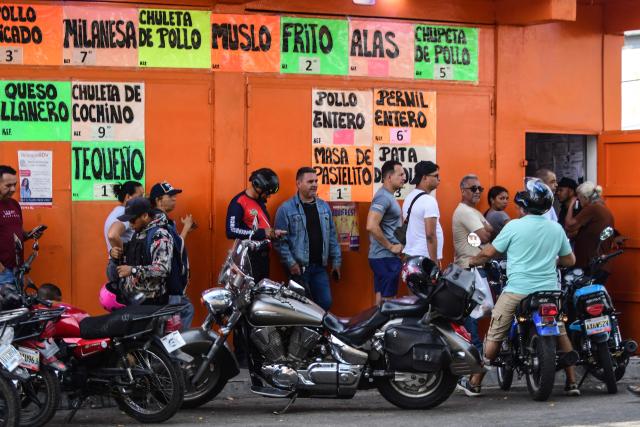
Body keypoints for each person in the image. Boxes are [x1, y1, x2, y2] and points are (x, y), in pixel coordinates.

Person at [457, 178, 580, 397]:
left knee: (495, 333)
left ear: (525, 206)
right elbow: (570, 260)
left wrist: (472, 261)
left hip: (517, 290)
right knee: (559, 329)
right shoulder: (556, 228)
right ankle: (572, 382)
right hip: (549, 291)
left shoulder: (514, 226)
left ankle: (475, 382)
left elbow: (488, 253)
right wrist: (550, 260)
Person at [274, 167, 341, 310]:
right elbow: (280, 242)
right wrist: (291, 264)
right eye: (310, 181)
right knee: (300, 309)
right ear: (298, 183)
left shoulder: (324, 207)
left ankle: (319, 333)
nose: (315, 184)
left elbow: (332, 237)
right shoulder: (286, 209)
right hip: (298, 270)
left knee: (325, 303)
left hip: (319, 268)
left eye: (316, 181)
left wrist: (336, 262)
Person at [452, 174, 494, 353]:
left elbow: (490, 230)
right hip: (470, 268)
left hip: (476, 267)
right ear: (462, 191)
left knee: (478, 310)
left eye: (480, 189)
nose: (478, 192)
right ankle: (474, 350)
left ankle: (474, 349)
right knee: (473, 313)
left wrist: (482, 232)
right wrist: (481, 233)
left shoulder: (473, 211)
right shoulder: (465, 212)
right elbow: (486, 235)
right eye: (473, 188)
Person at [149, 181, 195, 329]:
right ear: (158, 200)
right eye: (170, 196)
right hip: (169, 284)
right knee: (171, 324)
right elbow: (174, 249)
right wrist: (186, 228)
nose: (174, 199)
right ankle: (172, 350)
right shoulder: (160, 221)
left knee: (186, 310)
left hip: (171, 284)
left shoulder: (165, 221)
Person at [109, 198, 173, 304]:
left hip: (151, 301)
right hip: (135, 298)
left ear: (145, 216)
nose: (130, 225)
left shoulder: (160, 235)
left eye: (132, 220)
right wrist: (115, 253)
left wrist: (133, 270)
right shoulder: (139, 232)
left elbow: (163, 268)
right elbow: (136, 254)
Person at [226, 168, 284, 283]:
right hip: (249, 259)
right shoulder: (238, 202)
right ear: (258, 187)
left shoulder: (259, 201)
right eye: (267, 193)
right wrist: (263, 233)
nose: (269, 197)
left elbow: (260, 225)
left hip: (263, 258)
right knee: (251, 298)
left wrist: (273, 233)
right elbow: (231, 230)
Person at [366, 160, 406, 305]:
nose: (404, 178)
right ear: (389, 177)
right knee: (388, 303)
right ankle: (383, 328)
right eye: (400, 174)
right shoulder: (383, 197)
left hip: (384, 258)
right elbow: (371, 225)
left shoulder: (387, 196)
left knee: (381, 301)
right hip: (385, 257)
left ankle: (377, 328)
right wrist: (391, 246)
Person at [0, 165, 43, 286]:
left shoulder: (14, 204)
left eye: (15, 184)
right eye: (8, 186)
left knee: (18, 305)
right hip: (2, 272)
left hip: (18, 269)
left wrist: (29, 234)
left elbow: (16, 233)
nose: (13, 189)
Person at [564, 182, 614, 283]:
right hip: (600, 263)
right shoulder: (603, 208)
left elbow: (569, 226)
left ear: (585, 198)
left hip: (590, 265)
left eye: (579, 199)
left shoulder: (592, 208)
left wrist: (571, 205)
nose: (579, 202)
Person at [402, 161, 443, 264]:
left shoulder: (409, 197)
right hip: (424, 259)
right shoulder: (429, 200)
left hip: (411, 255)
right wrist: (434, 263)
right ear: (425, 177)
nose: (439, 179)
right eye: (436, 176)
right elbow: (430, 235)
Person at [105, 181, 144, 282]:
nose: (142, 199)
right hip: (122, 267)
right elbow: (112, 235)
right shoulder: (126, 213)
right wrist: (124, 256)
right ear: (128, 197)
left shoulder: (116, 211)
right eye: (140, 196)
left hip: (115, 265)